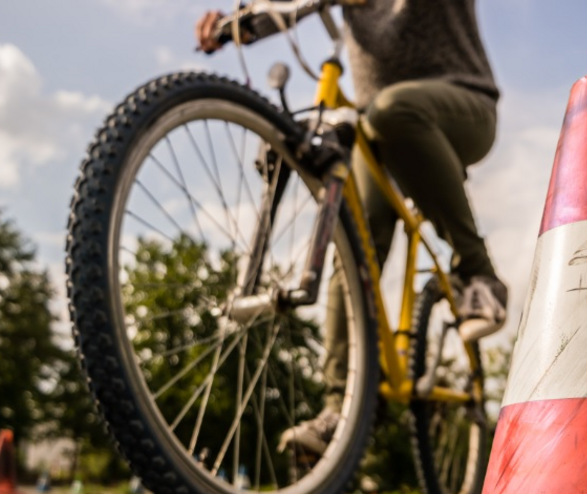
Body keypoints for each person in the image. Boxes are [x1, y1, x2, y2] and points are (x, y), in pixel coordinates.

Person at [196, 0, 507, 453]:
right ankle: (342, 408)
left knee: (392, 110)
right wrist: (238, 25)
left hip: (464, 106)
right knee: (351, 249)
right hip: (375, 131)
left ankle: (479, 274)